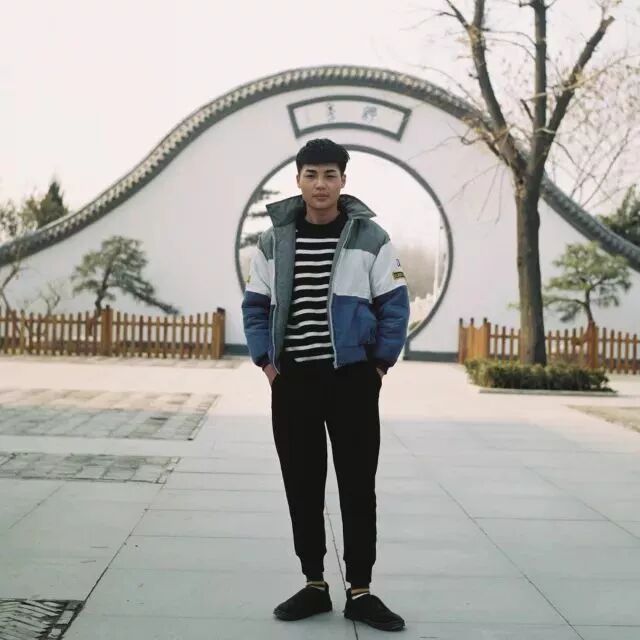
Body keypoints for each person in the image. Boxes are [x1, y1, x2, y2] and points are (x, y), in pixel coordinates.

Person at [241, 138, 409, 632]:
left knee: (357, 485)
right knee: (302, 483)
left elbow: (395, 304)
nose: (321, 184)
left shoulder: (371, 237)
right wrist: (268, 365)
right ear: (298, 180)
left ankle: (361, 591)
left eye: (330, 175)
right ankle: (314, 583)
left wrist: (378, 367)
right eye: (311, 174)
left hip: (352, 379)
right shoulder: (274, 241)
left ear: (343, 181)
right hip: (293, 380)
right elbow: (255, 306)